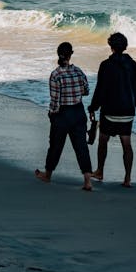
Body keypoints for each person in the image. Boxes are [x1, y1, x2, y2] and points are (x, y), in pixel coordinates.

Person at [35, 42, 93, 191]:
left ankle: (48, 175)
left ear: (58, 54)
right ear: (71, 54)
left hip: (62, 114)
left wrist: (52, 113)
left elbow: (55, 100)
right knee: (81, 147)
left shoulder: (55, 75)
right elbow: (86, 91)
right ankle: (87, 181)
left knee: (55, 146)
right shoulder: (79, 71)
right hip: (78, 112)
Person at [88, 32, 136, 188]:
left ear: (110, 46)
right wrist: (134, 104)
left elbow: (100, 90)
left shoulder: (105, 65)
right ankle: (127, 179)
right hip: (128, 111)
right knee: (126, 144)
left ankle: (99, 171)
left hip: (110, 111)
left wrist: (93, 108)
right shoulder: (133, 64)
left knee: (103, 141)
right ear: (125, 46)